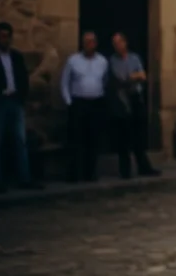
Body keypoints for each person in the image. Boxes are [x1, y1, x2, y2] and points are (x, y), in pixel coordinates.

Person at [0, 22, 41, 193]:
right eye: (2, 37)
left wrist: (22, 96)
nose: (6, 40)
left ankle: (24, 178)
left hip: (15, 101)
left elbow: (23, 77)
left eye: (8, 37)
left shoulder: (16, 56)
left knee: (20, 140)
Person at [108, 32, 159, 178]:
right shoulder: (113, 61)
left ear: (125, 43)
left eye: (119, 42)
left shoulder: (134, 58)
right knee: (124, 136)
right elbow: (121, 79)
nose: (117, 46)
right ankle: (125, 171)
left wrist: (134, 77)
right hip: (122, 100)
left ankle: (144, 167)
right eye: (114, 44)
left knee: (139, 135)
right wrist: (133, 77)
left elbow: (142, 75)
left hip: (136, 98)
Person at [61, 31, 109, 182]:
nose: (89, 44)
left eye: (92, 41)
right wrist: (69, 102)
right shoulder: (73, 60)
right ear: (82, 43)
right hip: (78, 104)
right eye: (86, 41)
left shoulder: (102, 61)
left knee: (93, 139)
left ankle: (90, 173)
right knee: (76, 139)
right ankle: (74, 174)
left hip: (96, 103)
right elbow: (64, 82)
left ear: (96, 43)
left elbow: (105, 81)